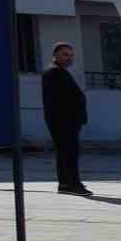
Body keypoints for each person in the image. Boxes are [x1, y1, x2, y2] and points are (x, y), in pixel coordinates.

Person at [41, 42, 90, 196]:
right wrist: (72, 117)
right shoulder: (54, 72)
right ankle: (73, 184)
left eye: (71, 55)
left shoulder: (59, 71)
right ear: (55, 55)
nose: (69, 58)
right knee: (69, 152)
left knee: (65, 152)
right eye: (65, 55)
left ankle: (65, 184)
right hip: (63, 121)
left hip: (65, 120)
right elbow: (61, 99)